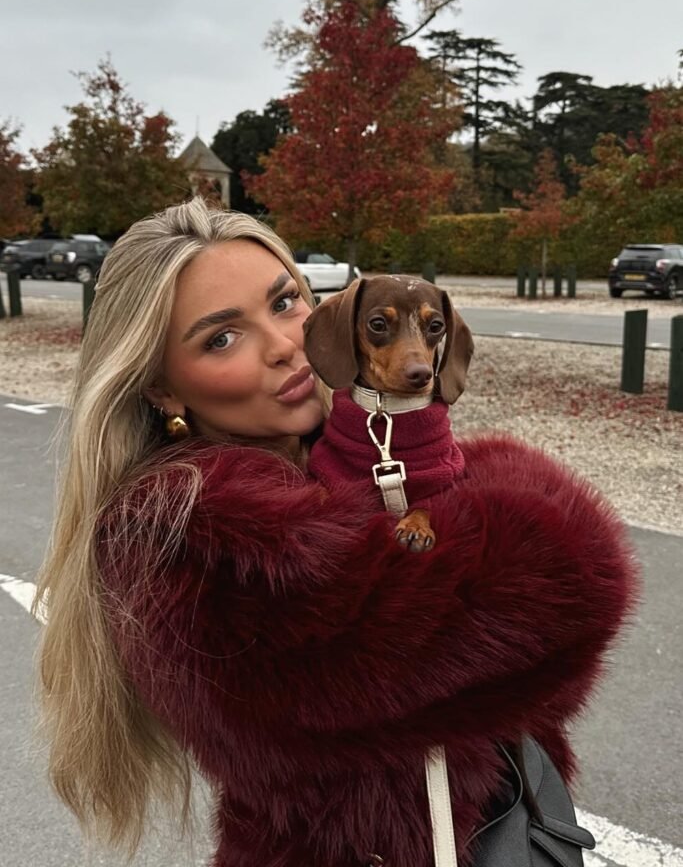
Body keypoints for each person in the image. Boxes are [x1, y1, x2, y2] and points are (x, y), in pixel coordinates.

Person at [34, 196, 638, 867]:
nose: (284, 346)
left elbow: (549, 691)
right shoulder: (190, 538)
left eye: (285, 302)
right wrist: (497, 483)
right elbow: (564, 596)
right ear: (162, 390)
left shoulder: (347, 465)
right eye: (221, 338)